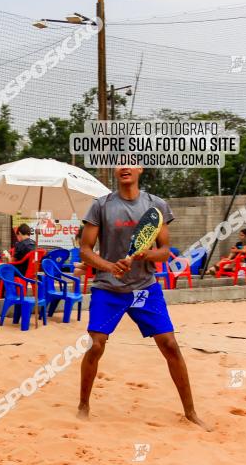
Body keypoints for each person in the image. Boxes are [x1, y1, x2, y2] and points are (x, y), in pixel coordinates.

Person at [78, 166, 209, 430]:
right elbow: (85, 250)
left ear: (140, 168)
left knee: (170, 344)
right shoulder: (100, 206)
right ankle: (83, 405)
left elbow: (164, 252)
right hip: (109, 288)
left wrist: (146, 255)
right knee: (95, 345)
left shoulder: (156, 205)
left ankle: (190, 411)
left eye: (131, 162)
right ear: (114, 170)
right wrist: (109, 266)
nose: (125, 167)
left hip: (144, 289)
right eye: (119, 162)